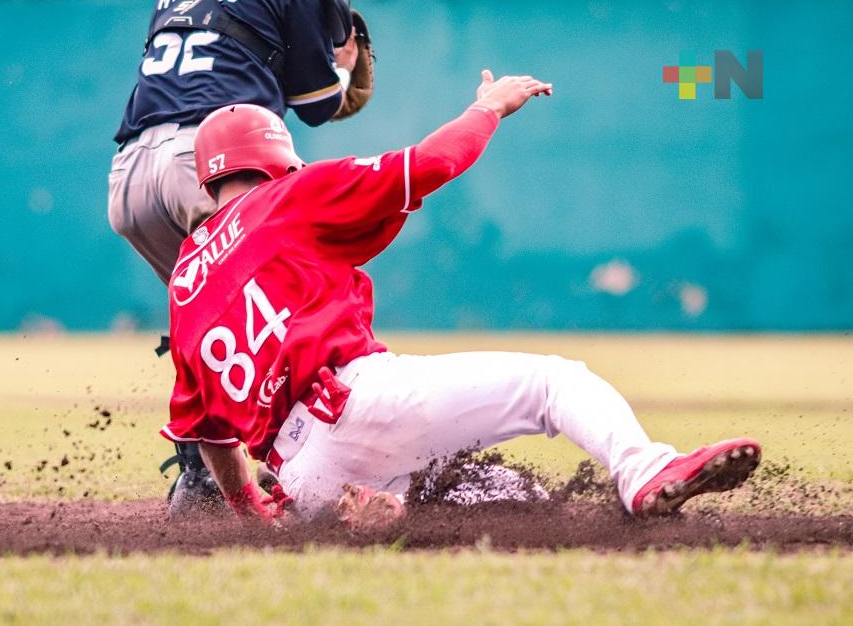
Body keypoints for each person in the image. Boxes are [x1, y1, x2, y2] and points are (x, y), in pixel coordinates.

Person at [161, 70, 761, 527]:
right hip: (357, 406)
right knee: (554, 384)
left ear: (210, 179)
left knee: (505, 493)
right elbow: (433, 161)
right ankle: (644, 471)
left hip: (305, 476)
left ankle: (375, 509)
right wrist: (488, 107)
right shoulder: (287, 196)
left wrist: (250, 512)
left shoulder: (184, 282)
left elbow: (208, 434)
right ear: (277, 159)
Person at [107, 0, 371, 509]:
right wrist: (339, 64)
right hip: (210, 164)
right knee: (299, 304)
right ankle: (314, 459)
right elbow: (321, 106)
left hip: (130, 177)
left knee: (207, 320)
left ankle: (201, 476)